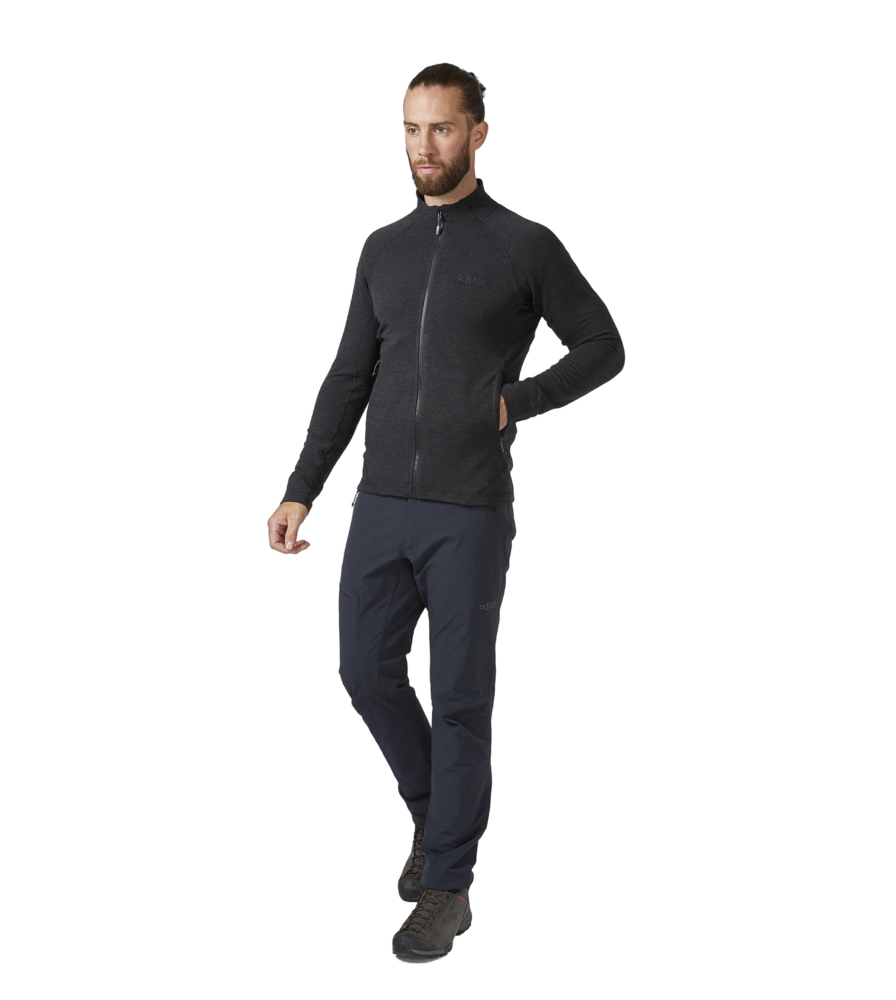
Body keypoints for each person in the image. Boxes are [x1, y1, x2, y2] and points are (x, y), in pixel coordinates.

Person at [265, 61, 625, 964]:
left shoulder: (524, 243)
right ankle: (437, 820)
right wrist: (302, 485)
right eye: (411, 129)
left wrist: (513, 402)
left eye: (442, 128)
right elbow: (348, 375)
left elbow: (602, 344)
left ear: (478, 134)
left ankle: (451, 887)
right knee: (363, 672)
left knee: (461, 698)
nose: (424, 146)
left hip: (470, 508)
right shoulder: (381, 245)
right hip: (380, 501)